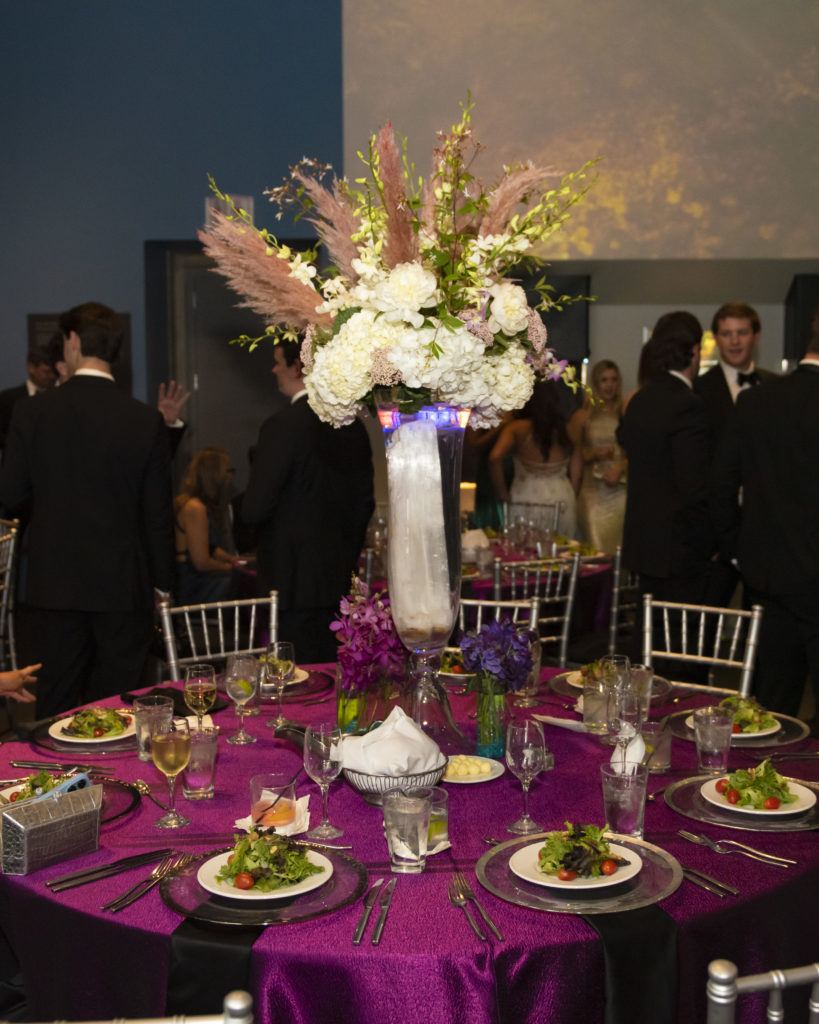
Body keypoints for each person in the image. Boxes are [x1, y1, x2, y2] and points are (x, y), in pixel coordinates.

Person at [0, 301, 174, 716]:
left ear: (73, 341)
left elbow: (9, 496)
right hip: (122, 586)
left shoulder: (32, 412)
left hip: (53, 585)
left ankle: (54, 762)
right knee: (120, 705)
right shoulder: (144, 420)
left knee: (56, 705)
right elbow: (157, 515)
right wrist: (164, 585)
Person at [712, 306, 819, 723]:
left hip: (769, 576)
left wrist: (738, 551)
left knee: (773, 711)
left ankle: (769, 766)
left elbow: (721, 485)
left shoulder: (756, 400)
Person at [241, 339, 374, 663]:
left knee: (295, 676)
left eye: (278, 361)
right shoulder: (352, 426)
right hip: (338, 578)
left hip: (290, 582)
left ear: (298, 366)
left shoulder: (282, 425)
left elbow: (255, 508)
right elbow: (364, 504)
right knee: (334, 670)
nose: (274, 369)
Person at [617, 312, 714, 669]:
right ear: (694, 351)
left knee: (649, 646)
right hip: (680, 547)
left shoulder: (639, 401)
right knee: (682, 651)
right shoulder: (688, 404)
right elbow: (693, 487)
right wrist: (712, 542)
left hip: (645, 544)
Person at [489, 380, 581, 539]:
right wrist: (572, 491)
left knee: (524, 548)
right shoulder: (569, 428)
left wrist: (502, 493)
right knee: (562, 548)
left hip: (526, 496)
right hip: (561, 496)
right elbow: (577, 468)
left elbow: (494, 457)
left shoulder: (517, 429)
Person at [695, 302, 778, 449]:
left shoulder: (776, 384)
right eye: (726, 334)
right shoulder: (699, 389)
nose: (735, 341)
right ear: (715, 338)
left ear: (756, 336)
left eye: (742, 333)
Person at [568, 360, 627, 555]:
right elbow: (573, 455)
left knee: (618, 551)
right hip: (592, 493)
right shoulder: (583, 416)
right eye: (604, 380)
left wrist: (621, 467)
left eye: (614, 379)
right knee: (596, 550)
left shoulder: (624, 413)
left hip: (620, 491)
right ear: (595, 383)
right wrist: (593, 454)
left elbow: (636, 452)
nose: (609, 385)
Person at [174, 447, 237, 604]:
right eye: (228, 470)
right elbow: (201, 562)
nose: (230, 476)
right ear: (215, 474)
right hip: (195, 587)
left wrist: (234, 560)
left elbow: (209, 548)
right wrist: (233, 569)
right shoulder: (196, 508)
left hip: (197, 582)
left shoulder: (199, 505)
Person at [0, 347, 56, 452]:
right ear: (31, 368)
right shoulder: (8, 399)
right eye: (46, 372)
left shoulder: (57, 398)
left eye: (53, 372)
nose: (51, 376)